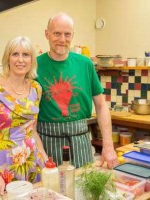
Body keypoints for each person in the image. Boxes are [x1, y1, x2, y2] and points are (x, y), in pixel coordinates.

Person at [36, 13, 118, 169]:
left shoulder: (85, 64)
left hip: (81, 141)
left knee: (84, 187)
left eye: (67, 34)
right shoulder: (35, 65)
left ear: (72, 35)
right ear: (47, 34)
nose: (62, 39)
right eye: (57, 33)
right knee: (53, 190)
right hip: (47, 143)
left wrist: (108, 145)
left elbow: (101, 105)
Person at [0, 36, 48, 199]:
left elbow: (32, 131)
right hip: (1, 166)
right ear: (7, 57)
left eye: (26, 55)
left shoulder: (36, 88)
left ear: (32, 60)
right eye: (15, 54)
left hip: (31, 163)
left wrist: (45, 158)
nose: (20, 60)